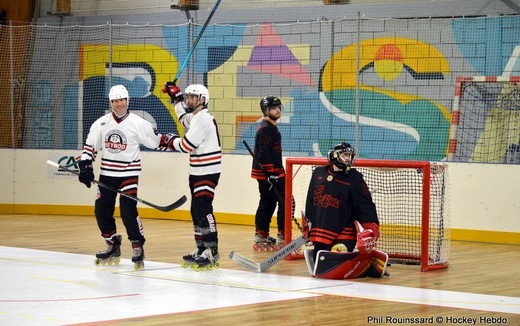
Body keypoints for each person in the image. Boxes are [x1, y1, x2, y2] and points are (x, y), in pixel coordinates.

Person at [78, 84, 174, 270]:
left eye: (122, 100)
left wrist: (174, 142)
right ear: (111, 102)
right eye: (115, 101)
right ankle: (112, 243)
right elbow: (90, 146)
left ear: (127, 100)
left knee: (127, 210)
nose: (119, 104)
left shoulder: (138, 123)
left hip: (129, 174)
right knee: (101, 210)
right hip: (107, 174)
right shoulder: (102, 123)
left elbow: (155, 140)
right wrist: (86, 164)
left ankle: (137, 245)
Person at [303, 142, 389, 279]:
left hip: (344, 232)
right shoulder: (318, 173)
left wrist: (371, 228)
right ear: (334, 155)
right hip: (321, 232)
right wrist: (308, 227)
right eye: (345, 155)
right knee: (320, 269)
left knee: (335, 268)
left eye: (349, 155)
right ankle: (367, 264)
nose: (348, 159)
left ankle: (367, 267)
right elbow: (310, 202)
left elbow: (365, 205)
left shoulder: (355, 178)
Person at [162, 82, 222, 269]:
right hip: (197, 170)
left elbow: (187, 145)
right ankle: (201, 247)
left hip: (207, 170)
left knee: (203, 209)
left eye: (192, 97)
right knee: (196, 210)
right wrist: (176, 98)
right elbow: (183, 118)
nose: (189, 100)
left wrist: (168, 140)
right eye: (188, 97)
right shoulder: (196, 117)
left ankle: (212, 249)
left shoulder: (203, 119)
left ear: (202, 100)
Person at [250, 96, 286, 250]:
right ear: (266, 111)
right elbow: (263, 154)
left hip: (271, 173)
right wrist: (271, 175)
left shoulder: (270, 127)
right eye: (273, 108)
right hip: (269, 174)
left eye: (278, 107)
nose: (277, 110)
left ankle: (262, 234)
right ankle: (283, 235)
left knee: (268, 202)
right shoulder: (266, 128)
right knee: (285, 202)